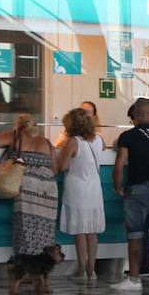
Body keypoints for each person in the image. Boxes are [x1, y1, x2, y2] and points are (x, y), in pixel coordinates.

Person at [110, 99, 149, 292]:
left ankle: (134, 279)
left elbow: (120, 164)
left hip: (136, 190)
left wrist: (117, 186)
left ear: (135, 115)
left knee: (136, 236)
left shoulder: (128, 136)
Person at [0, 113, 59, 264]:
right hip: (49, 189)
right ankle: (40, 270)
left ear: (19, 125)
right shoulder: (46, 142)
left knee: (25, 228)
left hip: (27, 188)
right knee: (45, 231)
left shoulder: (15, 136)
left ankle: (25, 269)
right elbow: (55, 168)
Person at [56, 106, 106, 282]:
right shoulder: (98, 140)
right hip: (94, 190)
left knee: (80, 232)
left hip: (77, 189)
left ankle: (81, 271)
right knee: (92, 232)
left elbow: (62, 166)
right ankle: (92, 271)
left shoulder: (73, 142)